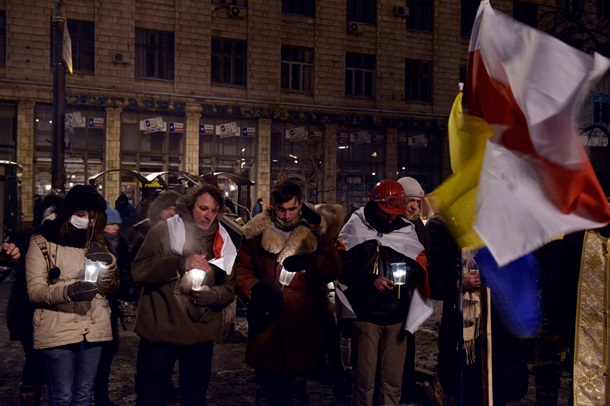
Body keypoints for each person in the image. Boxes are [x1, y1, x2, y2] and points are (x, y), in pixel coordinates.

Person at [234, 180, 342, 405]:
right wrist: (257, 290)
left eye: (291, 209)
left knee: (297, 389)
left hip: (301, 321)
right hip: (266, 319)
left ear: (300, 204)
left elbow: (333, 266)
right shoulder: (255, 233)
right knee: (266, 388)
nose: (286, 215)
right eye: (281, 210)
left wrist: (310, 262)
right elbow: (242, 269)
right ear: (273, 206)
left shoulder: (315, 232)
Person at [131, 183, 237, 406]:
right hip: (161, 330)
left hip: (200, 334)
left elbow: (229, 287)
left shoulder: (224, 242)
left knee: (194, 398)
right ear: (191, 206)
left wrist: (214, 296)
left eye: (213, 210)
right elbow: (139, 271)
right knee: (151, 397)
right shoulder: (163, 232)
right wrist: (179, 263)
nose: (208, 215)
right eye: (203, 208)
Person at [25, 184, 119, 406]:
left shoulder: (95, 241)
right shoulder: (42, 241)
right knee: (62, 397)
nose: (86, 220)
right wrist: (69, 291)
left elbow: (104, 287)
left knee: (85, 396)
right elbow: (35, 290)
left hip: (93, 327)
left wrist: (108, 265)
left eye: (92, 216)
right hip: (58, 327)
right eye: (81, 214)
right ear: (69, 213)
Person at [338, 179, 428, 406]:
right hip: (366, 317)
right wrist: (371, 281)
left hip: (397, 318)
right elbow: (343, 268)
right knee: (364, 380)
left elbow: (420, 265)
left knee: (393, 382)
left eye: (394, 213)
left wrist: (407, 273)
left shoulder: (406, 230)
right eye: (386, 213)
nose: (390, 218)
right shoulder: (356, 226)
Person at [426, 213, 528, 406]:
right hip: (463, 330)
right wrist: (458, 282)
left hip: (500, 327)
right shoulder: (445, 229)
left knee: (499, 388)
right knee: (467, 390)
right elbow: (435, 280)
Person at [7, 193, 62, 406]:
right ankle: (31, 395)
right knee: (37, 358)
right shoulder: (33, 238)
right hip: (29, 313)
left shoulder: (32, 238)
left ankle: (31, 394)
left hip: (27, 313)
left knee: (37, 358)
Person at [397, 176, 429, 404]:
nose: (414, 206)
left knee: (408, 341)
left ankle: (406, 386)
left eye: (417, 202)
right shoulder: (389, 223)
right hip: (391, 296)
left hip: (410, 295)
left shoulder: (417, 225)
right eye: (410, 201)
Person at [93, 205, 130, 406]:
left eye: (117, 224)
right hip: (98, 304)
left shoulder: (121, 243)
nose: (114, 228)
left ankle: (101, 395)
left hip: (112, 306)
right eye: (110, 224)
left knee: (109, 349)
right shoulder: (97, 244)